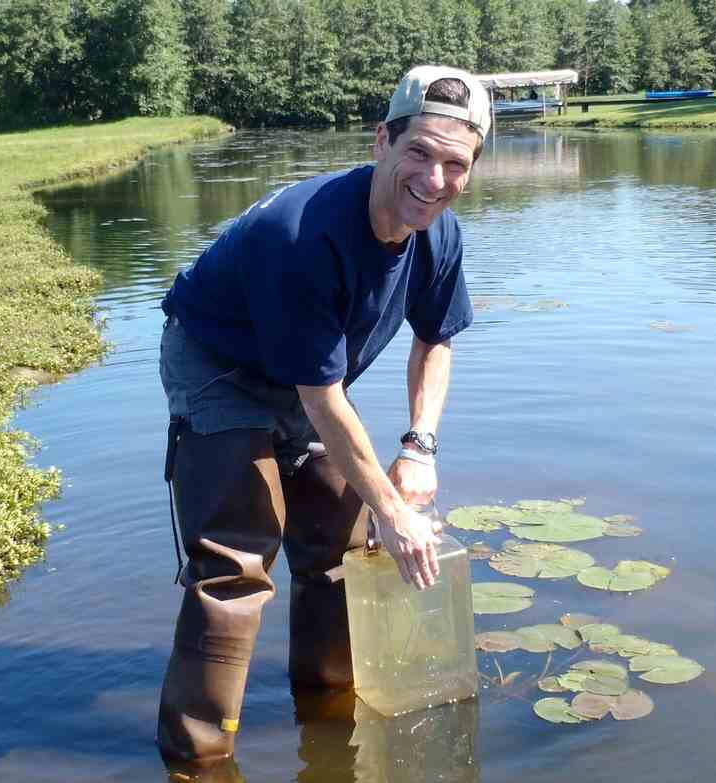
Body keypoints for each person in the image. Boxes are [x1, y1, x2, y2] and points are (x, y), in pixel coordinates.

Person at [155, 64, 491, 768]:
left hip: (308, 378)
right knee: (237, 555)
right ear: (381, 141)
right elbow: (319, 398)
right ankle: (198, 755)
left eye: (454, 164)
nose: (433, 180)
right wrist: (396, 512)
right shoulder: (303, 234)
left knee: (343, 538)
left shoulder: (439, 235)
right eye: (419, 154)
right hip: (220, 364)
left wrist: (420, 446)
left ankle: (326, 712)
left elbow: (435, 340)